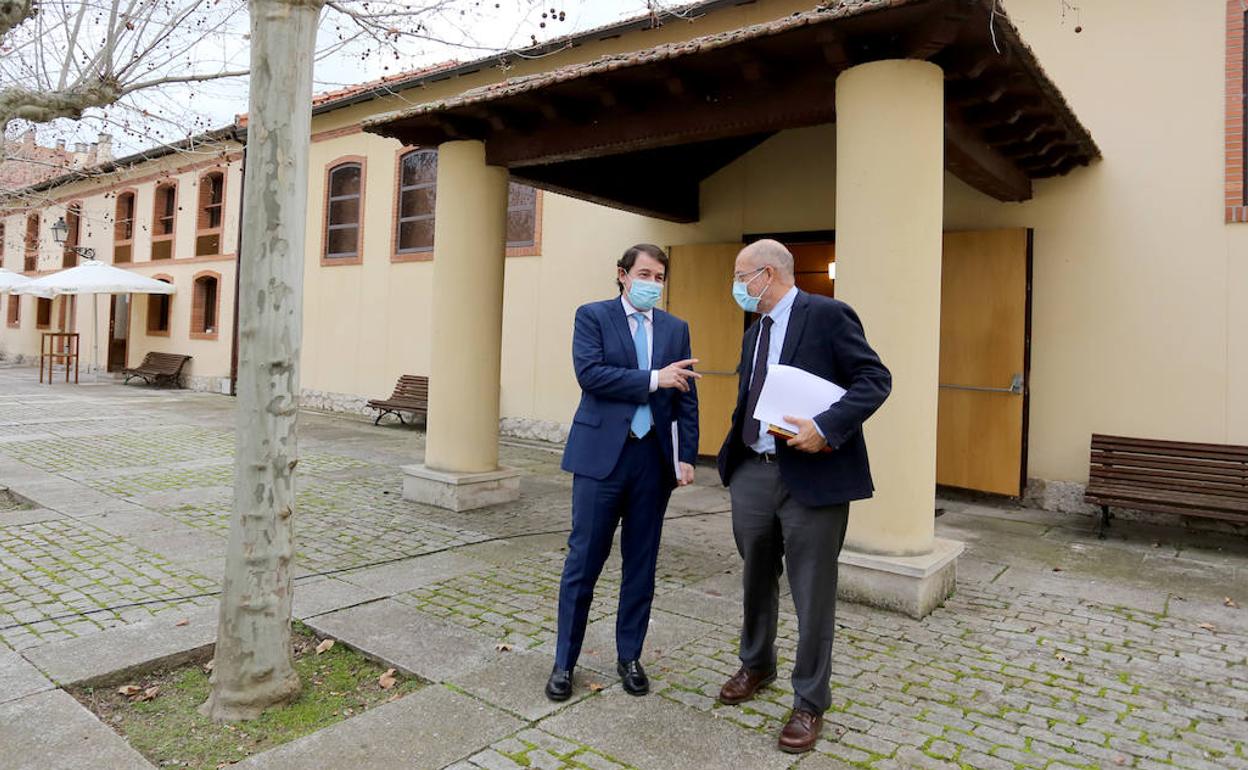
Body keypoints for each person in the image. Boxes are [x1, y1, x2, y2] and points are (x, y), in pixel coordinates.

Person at [715, 239, 891, 754]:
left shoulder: (829, 315)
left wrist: (827, 427)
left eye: (740, 275)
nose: (737, 286)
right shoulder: (755, 331)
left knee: (812, 591)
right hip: (753, 471)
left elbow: (875, 380)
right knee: (754, 576)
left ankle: (810, 701)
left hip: (813, 477)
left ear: (767, 274)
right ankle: (756, 665)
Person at [547, 243, 700, 702]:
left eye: (659, 277)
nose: (653, 284)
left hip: (652, 462)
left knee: (641, 564)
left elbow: (686, 397)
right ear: (622, 274)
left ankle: (629, 656)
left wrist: (686, 454)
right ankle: (564, 663)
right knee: (583, 562)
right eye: (645, 274)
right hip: (601, 460)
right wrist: (655, 378)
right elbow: (591, 374)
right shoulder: (592, 316)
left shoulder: (677, 328)